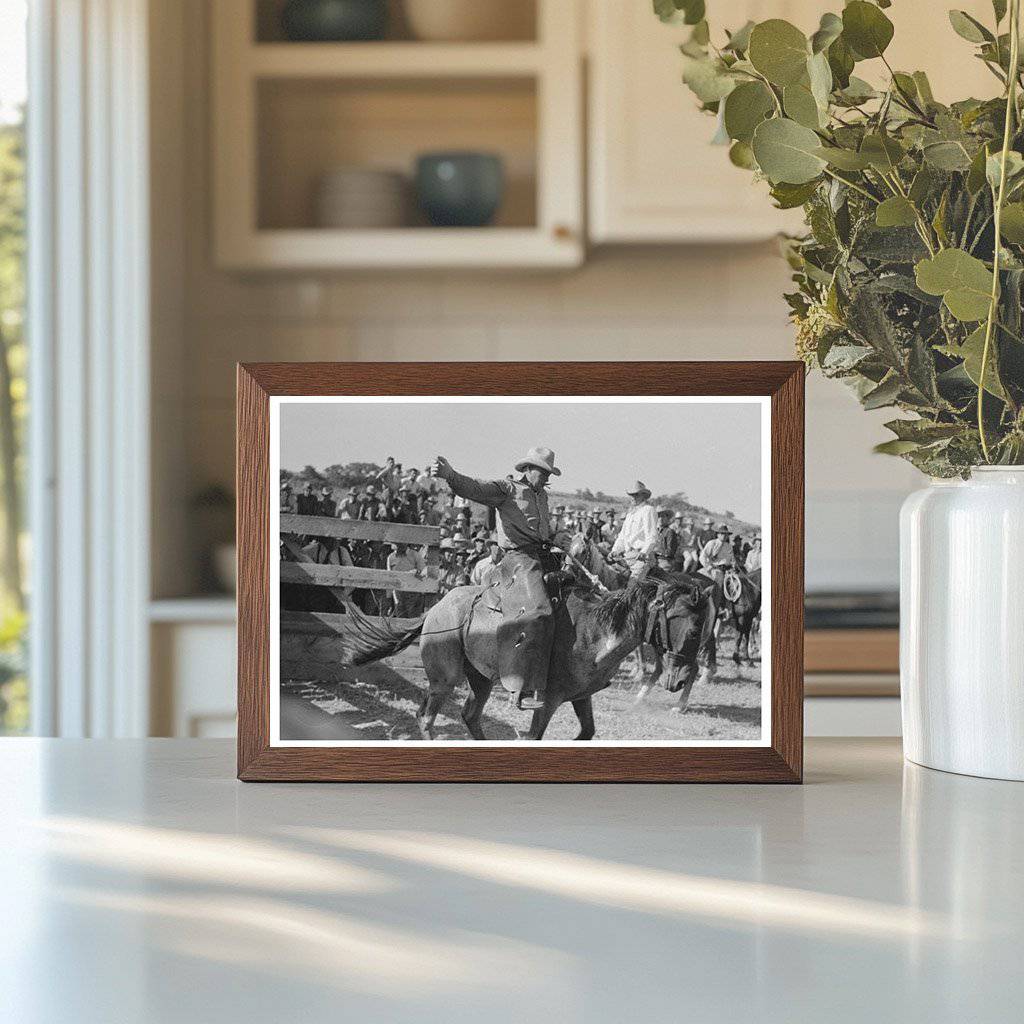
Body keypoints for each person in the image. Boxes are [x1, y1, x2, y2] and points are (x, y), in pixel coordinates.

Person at [431, 445, 561, 711]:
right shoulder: (507, 489)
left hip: (542, 556)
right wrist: (450, 475)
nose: (548, 478)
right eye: (544, 472)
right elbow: (475, 488)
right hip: (518, 561)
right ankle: (521, 688)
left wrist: (557, 539)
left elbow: (543, 531)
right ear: (529, 469)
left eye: (549, 473)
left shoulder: (542, 496)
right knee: (538, 611)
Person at [610, 481, 659, 577]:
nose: (633, 497)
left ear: (643, 496)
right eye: (631, 495)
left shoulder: (648, 510)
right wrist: (615, 550)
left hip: (641, 557)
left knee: (633, 584)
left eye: (636, 495)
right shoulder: (630, 514)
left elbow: (652, 536)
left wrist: (644, 552)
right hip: (627, 556)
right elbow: (622, 537)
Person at [387, 542, 425, 617]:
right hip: (398, 593)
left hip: (413, 592)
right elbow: (389, 576)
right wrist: (389, 597)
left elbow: (422, 571)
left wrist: (413, 573)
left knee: (412, 616)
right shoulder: (391, 557)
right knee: (400, 614)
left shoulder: (415, 555)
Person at [652, 506, 680, 572]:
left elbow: (670, 552)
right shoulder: (654, 531)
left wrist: (656, 551)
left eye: (663, 516)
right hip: (653, 559)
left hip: (664, 560)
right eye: (658, 517)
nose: (660, 519)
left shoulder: (670, 532)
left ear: (667, 518)